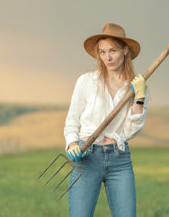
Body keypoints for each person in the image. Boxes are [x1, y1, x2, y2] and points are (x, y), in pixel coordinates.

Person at [64, 23, 149, 217]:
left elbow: (130, 131)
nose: (107, 58)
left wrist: (139, 98)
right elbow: (72, 121)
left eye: (113, 51)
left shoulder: (137, 86)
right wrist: (72, 144)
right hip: (86, 156)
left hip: (119, 160)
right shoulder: (86, 81)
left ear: (125, 51)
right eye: (102, 52)